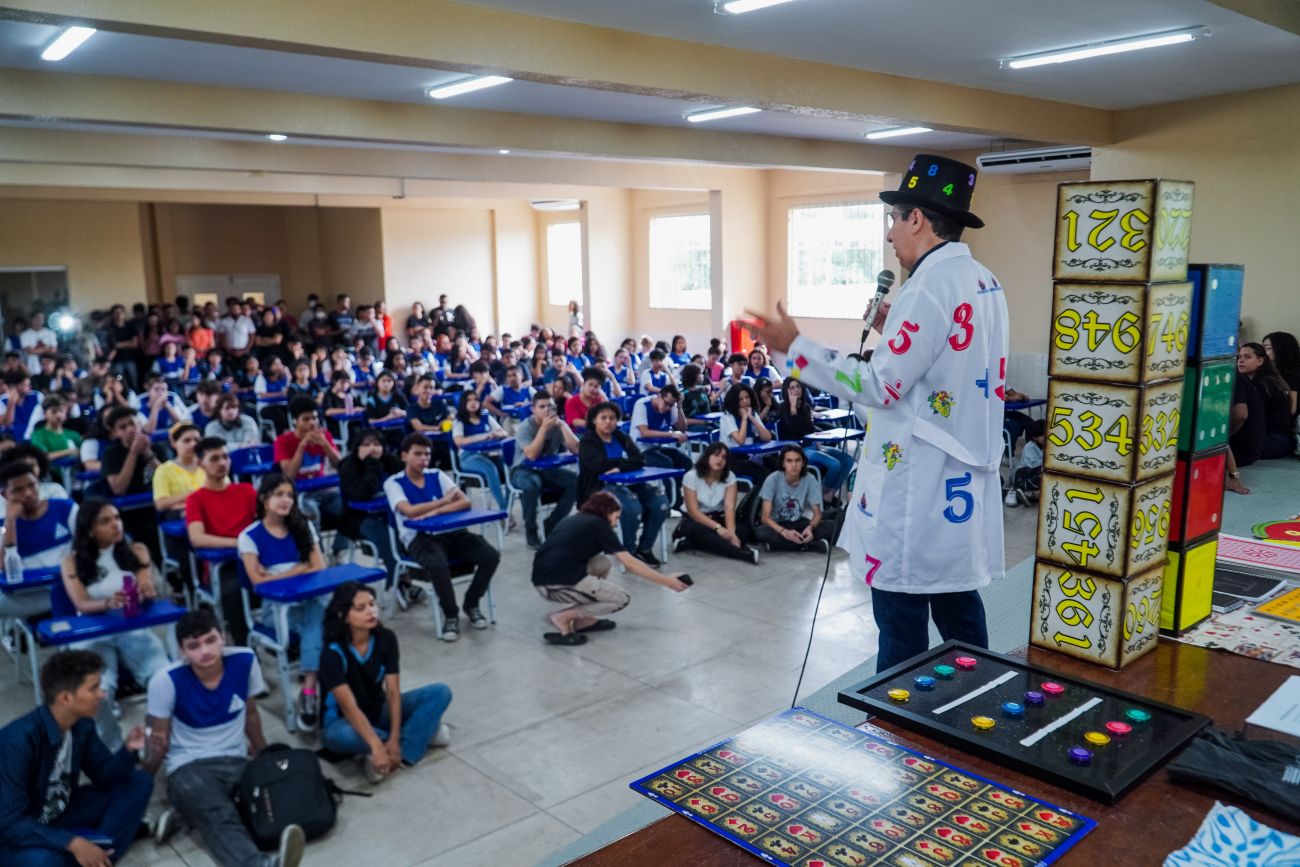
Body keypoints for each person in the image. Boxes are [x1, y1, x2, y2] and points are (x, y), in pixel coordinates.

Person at [746, 154, 1007, 672]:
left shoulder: (928, 287)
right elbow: (951, 361)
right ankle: (982, 710)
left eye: (894, 219)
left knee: (901, 625)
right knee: (960, 612)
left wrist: (796, 349)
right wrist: (898, 331)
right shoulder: (983, 282)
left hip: (919, 484)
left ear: (917, 219)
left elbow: (879, 384)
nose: (890, 236)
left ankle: (895, 734)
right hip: (960, 479)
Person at [144, 610, 307, 867]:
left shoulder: (245, 660)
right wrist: (143, 784)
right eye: (194, 646)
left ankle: (186, 815)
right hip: (189, 765)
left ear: (223, 637)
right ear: (182, 651)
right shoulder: (164, 681)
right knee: (219, 814)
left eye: (210, 640)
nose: (205, 651)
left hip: (236, 758)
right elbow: (159, 739)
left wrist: (264, 758)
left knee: (270, 806)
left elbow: (251, 713)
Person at [0, 651, 154, 867]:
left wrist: (128, 750)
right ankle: (94, 851)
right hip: (19, 831)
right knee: (44, 861)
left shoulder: (82, 725)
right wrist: (71, 842)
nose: (102, 694)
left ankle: (98, 855)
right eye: (93, 688)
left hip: (62, 811)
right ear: (65, 698)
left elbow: (105, 775)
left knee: (140, 782)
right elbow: (9, 822)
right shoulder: (17, 741)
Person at [61, 498, 171, 749]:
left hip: (132, 628)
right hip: (93, 631)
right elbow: (81, 603)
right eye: (105, 521)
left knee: (162, 677)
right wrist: (106, 603)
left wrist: (147, 591)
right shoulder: (72, 560)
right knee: (99, 690)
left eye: (117, 518)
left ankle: (156, 737)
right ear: (89, 530)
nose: (116, 525)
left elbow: (146, 587)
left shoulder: (137, 549)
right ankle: (111, 750)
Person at [319, 582, 452, 783]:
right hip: (342, 723)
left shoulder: (385, 638)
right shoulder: (332, 653)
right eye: (360, 608)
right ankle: (414, 738)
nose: (371, 611)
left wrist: (395, 737)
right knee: (344, 735)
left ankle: (393, 751)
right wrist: (378, 744)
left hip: (378, 711)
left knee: (440, 692)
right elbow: (349, 708)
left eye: (372, 604)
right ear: (343, 615)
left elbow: (392, 692)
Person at [533, 491, 688, 645]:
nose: (615, 524)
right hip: (557, 585)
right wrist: (667, 581)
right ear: (606, 512)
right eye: (616, 517)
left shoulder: (576, 519)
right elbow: (631, 563)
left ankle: (584, 621)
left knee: (601, 563)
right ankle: (564, 618)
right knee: (620, 599)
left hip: (543, 579)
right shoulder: (598, 525)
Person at [385, 433, 500, 642]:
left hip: (452, 532)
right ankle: (450, 614)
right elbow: (409, 511)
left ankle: (472, 603)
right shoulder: (394, 483)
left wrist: (435, 511)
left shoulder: (436, 475)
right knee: (438, 564)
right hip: (420, 539)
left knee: (490, 555)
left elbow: (465, 502)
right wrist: (443, 502)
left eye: (427, 454)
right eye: (417, 454)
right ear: (404, 456)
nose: (423, 459)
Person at [238, 474, 328, 729]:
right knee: (320, 624)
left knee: (318, 617)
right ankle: (312, 689)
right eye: (279, 494)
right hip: (275, 610)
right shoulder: (249, 536)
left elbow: (319, 567)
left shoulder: (303, 526)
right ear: (264, 499)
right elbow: (259, 582)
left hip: (310, 600)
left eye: (290, 495)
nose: (286, 500)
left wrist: (280, 574)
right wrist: (300, 568)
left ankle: (309, 688)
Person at [186, 437, 258, 644]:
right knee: (235, 593)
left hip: (254, 559)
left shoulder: (246, 490)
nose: (222, 463)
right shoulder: (196, 499)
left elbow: (264, 525)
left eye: (225, 457)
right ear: (200, 463)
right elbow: (197, 538)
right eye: (214, 459)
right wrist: (240, 543)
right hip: (224, 566)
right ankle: (245, 647)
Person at [577, 402, 668, 566]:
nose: (608, 421)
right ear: (594, 420)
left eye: (612, 418)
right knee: (632, 507)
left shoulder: (621, 437)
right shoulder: (588, 441)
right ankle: (629, 552)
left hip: (632, 483)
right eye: (603, 418)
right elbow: (597, 465)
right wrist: (625, 462)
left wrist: (619, 467)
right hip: (599, 488)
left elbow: (640, 459)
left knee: (660, 504)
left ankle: (645, 549)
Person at [1, 462, 76, 625]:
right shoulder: (3, 526)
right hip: (30, 596)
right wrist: (10, 521)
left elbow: (91, 545)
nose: (28, 493)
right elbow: (6, 570)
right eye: (17, 490)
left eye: (32, 485)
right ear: (5, 495)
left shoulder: (65, 508)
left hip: (70, 582)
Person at [338, 430, 405, 599]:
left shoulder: (391, 462)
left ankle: (407, 576)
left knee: (407, 530)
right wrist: (371, 466)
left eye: (376, 444)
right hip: (358, 517)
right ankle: (397, 580)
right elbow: (361, 494)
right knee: (385, 534)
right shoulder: (349, 465)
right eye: (366, 445)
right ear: (357, 448)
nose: (372, 448)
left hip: (391, 513)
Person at [510, 390, 580, 549]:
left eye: (550, 406)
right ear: (533, 409)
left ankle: (552, 523)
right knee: (531, 483)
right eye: (542, 407)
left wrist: (562, 425)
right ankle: (531, 530)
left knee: (576, 481)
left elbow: (577, 449)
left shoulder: (557, 425)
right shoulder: (525, 427)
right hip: (522, 469)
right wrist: (543, 428)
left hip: (547, 469)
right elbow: (532, 455)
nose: (547, 410)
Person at [275, 396, 345, 549]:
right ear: (296, 421)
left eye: (314, 418)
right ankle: (317, 555)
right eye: (306, 419)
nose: (312, 423)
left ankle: (340, 550)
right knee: (310, 512)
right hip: (299, 493)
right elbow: (289, 476)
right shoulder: (283, 441)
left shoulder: (324, 435)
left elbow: (341, 466)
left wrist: (326, 445)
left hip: (323, 489)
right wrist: (301, 447)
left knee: (348, 506)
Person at [100, 405, 166, 563]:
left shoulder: (156, 448)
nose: (130, 429)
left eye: (132, 423)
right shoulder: (111, 454)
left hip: (160, 506)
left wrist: (149, 455)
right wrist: (134, 453)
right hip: (131, 513)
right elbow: (119, 489)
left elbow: (169, 479)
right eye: (123, 427)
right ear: (116, 433)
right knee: (148, 531)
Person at [676, 442, 760, 564]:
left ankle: (693, 543)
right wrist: (718, 529)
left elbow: (729, 507)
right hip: (697, 520)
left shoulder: (730, 476)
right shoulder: (691, 476)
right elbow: (693, 512)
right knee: (699, 531)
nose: (720, 460)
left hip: (720, 517)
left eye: (724, 457)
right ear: (707, 457)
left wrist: (731, 533)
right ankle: (740, 554)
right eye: (716, 455)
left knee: (743, 530)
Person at [777, 378, 855, 500]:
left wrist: (818, 440)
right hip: (798, 450)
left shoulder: (805, 407)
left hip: (813, 446)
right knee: (835, 465)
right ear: (786, 391)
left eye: (798, 387)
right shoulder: (783, 408)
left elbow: (810, 429)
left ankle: (829, 494)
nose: (796, 390)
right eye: (792, 388)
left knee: (848, 460)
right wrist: (793, 408)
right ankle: (821, 494)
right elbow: (793, 429)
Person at [755, 445, 834, 554]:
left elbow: (818, 514)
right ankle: (810, 546)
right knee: (761, 533)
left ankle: (779, 545)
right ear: (783, 463)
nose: (794, 465)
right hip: (777, 525)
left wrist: (810, 528)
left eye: (797, 460)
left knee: (832, 526)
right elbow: (765, 518)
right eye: (789, 461)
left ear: (803, 463)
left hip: (799, 522)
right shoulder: (772, 479)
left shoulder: (810, 479)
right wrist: (783, 532)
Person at [451, 389, 510, 512]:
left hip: (488, 454)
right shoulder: (459, 421)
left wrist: (498, 434)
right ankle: (504, 509)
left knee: (509, 466)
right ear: (463, 403)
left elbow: (503, 432)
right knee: (490, 468)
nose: (473, 403)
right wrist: (484, 436)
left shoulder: (485, 416)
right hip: (468, 458)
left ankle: (508, 504)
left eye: (475, 400)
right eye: (469, 400)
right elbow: (459, 441)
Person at [1237, 342, 1294, 460]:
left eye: (1247, 357)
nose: (1241, 361)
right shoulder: (1270, 379)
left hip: (1274, 440)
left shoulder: (1262, 384)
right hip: (1281, 440)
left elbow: (1249, 419)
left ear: (1260, 361)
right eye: (1239, 357)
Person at [719, 381, 776, 485]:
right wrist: (745, 419)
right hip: (731, 459)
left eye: (747, 397)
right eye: (741, 399)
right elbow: (740, 441)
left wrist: (752, 418)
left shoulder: (752, 413)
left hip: (750, 456)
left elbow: (767, 438)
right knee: (764, 473)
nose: (745, 401)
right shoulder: (727, 416)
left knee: (777, 467)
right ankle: (758, 501)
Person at [1005, 419, 1046, 507]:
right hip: (1021, 474)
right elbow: (1030, 471)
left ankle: (1032, 495)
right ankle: (1016, 490)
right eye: (1042, 435)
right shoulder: (1029, 447)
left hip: (1035, 478)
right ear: (1035, 437)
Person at [31, 394, 82, 461]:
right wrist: (69, 452)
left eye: (61, 410)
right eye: (54, 412)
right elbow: (43, 457)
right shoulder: (37, 435)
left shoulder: (74, 435)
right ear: (45, 414)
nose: (58, 415)